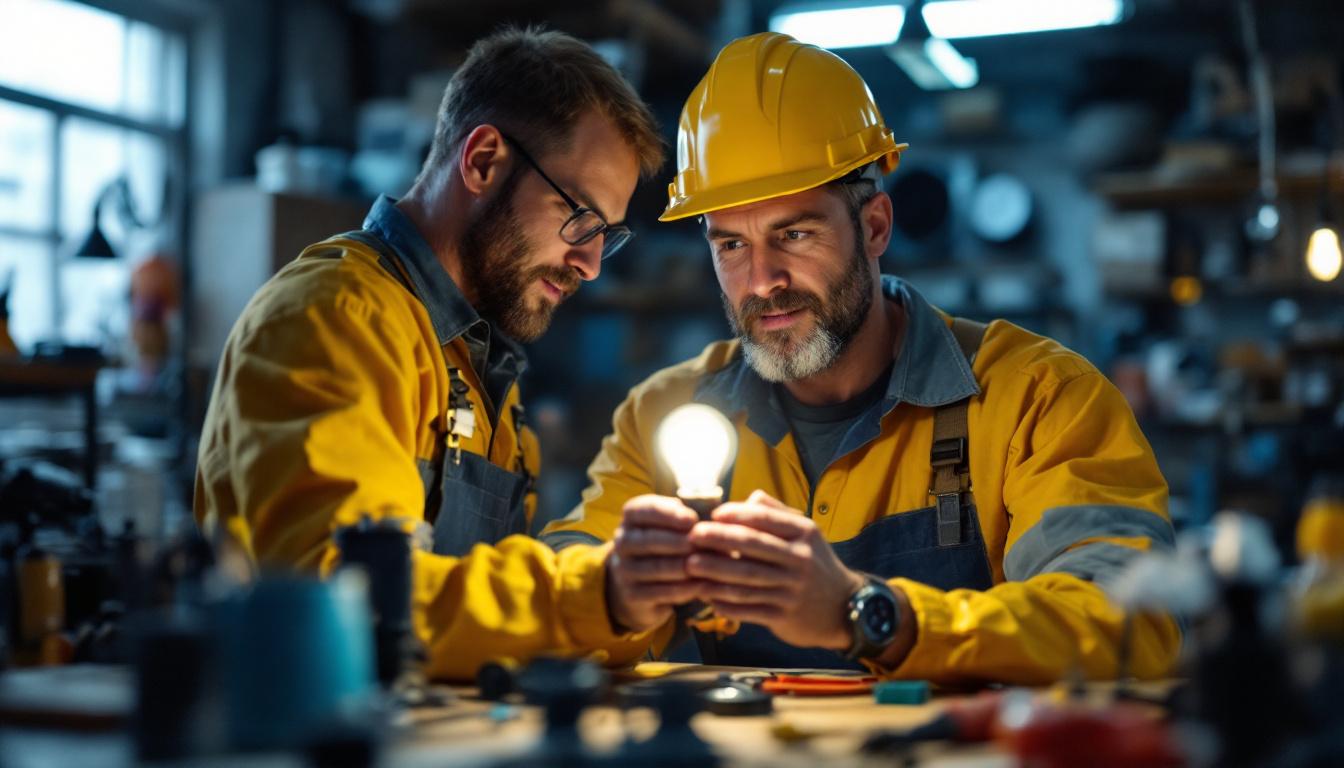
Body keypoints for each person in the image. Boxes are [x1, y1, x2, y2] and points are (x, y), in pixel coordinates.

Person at [542, 32, 1180, 684]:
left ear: (874, 226)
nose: (762, 280)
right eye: (730, 245)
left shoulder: (1038, 397)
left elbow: (1129, 619)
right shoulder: (665, 413)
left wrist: (870, 614)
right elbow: (558, 584)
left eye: (794, 233)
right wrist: (617, 591)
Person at [195, 27, 667, 679]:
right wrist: (597, 594)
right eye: (580, 219)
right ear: (482, 161)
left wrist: (646, 600)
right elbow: (348, 606)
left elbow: (487, 631)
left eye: (605, 237)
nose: (589, 265)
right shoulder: (337, 316)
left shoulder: (477, 366)